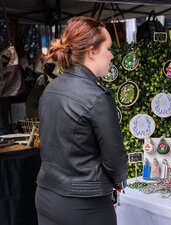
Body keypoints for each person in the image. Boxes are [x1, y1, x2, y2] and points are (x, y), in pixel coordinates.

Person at [35, 16, 128, 225]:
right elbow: (115, 160)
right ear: (92, 51)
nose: (112, 55)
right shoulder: (97, 97)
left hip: (46, 195)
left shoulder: (51, 89)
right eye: (108, 48)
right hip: (83, 204)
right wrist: (118, 182)